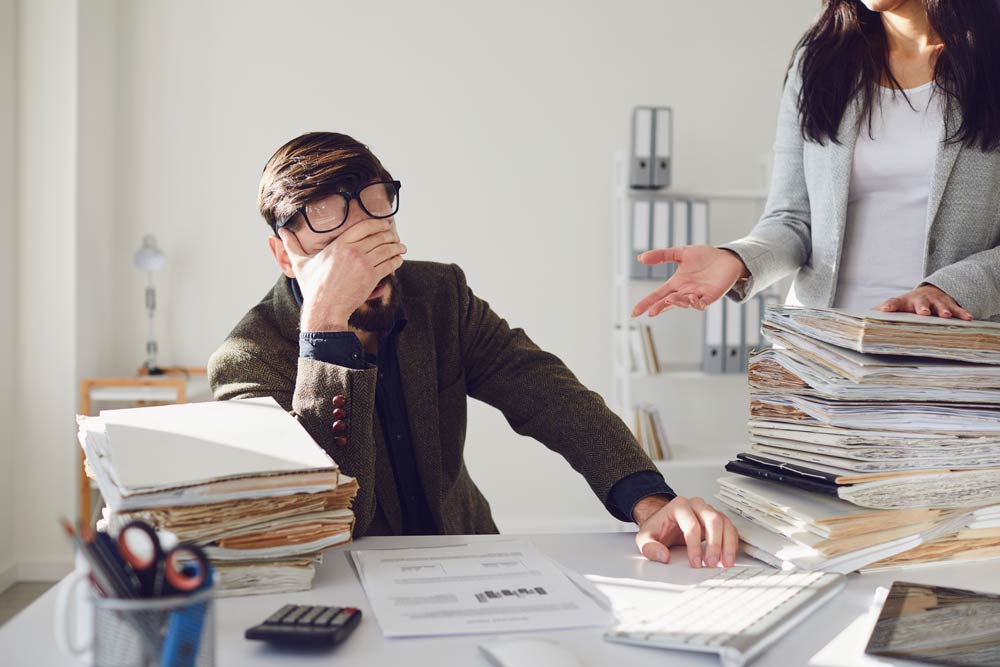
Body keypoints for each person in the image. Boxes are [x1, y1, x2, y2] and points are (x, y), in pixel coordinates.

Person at [208, 132, 738, 568]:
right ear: (283, 254)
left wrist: (648, 500)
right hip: (343, 585)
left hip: (467, 555)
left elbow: (548, 394)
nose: (368, 269)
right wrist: (326, 330)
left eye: (376, 234)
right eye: (337, 256)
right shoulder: (248, 358)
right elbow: (312, 513)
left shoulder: (440, 295)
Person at [633, 0, 1000, 321]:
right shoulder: (820, 62)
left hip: (955, 360)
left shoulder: (992, 63)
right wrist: (737, 259)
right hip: (821, 353)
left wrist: (951, 288)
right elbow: (791, 219)